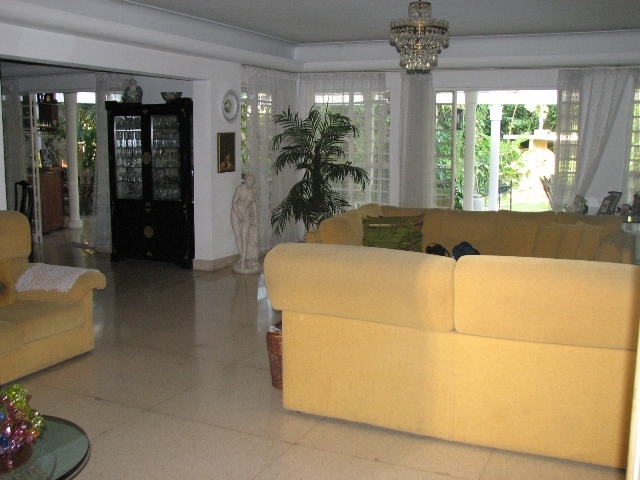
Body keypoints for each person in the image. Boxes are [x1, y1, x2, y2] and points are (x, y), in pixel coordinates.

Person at [231, 173, 260, 273]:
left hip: (246, 213)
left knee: (244, 237)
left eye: (252, 181)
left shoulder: (254, 190)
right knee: (237, 235)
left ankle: (244, 260)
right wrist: (239, 215)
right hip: (236, 212)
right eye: (249, 181)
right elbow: (234, 202)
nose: (250, 183)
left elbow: (254, 204)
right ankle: (242, 255)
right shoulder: (240, 189)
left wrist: (255, 219)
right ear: (245, 181)